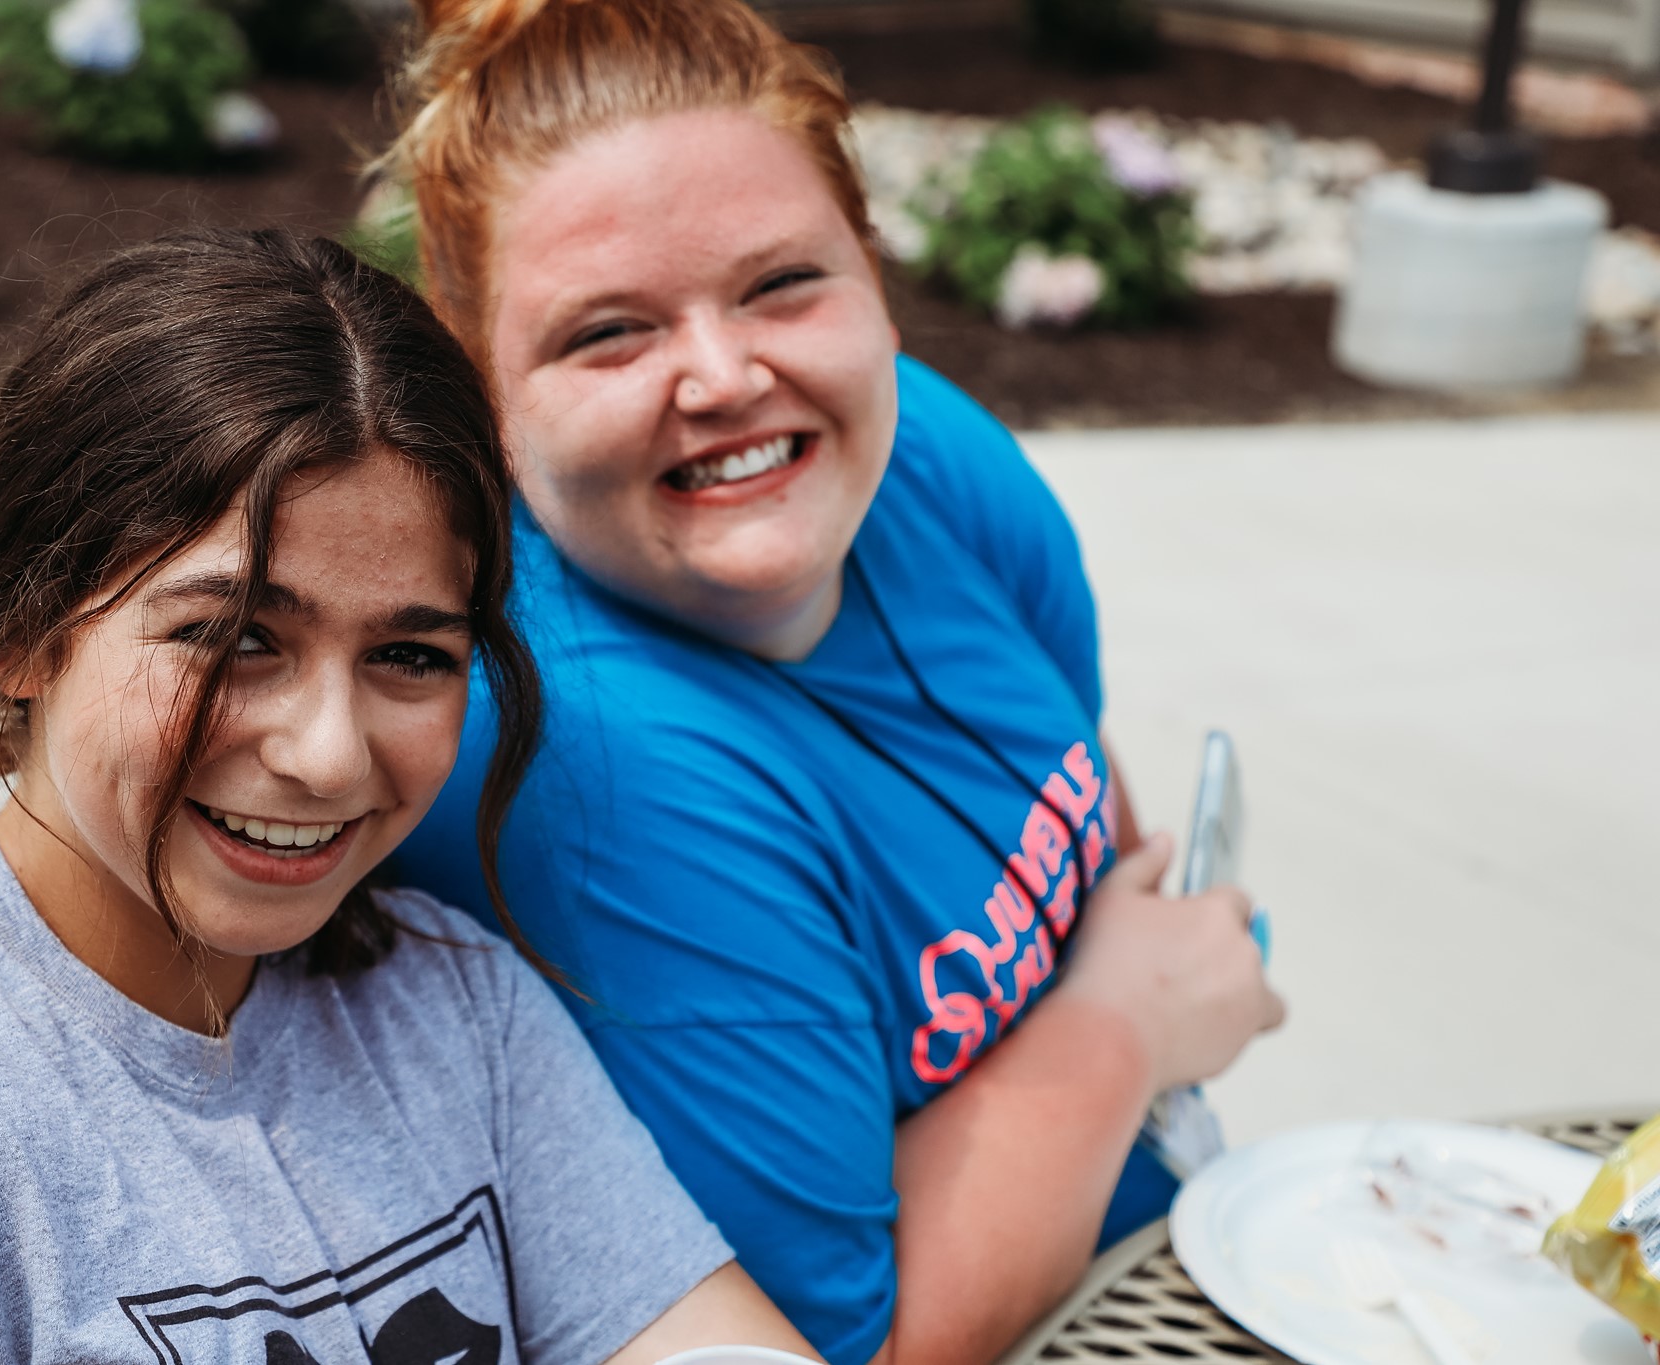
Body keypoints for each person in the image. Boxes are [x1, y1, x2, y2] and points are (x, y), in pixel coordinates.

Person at [0, 229, 817, 1365]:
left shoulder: (457, 1011)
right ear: (26, 630)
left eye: (409, 655)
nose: (328, 755)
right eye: (234, 635)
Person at [381, 5, 1288, 1364]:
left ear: (872, 267)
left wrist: (1125, 998)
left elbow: (1102, 847)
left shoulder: (924, 452)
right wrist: (1122, 1026)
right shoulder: (597, 769)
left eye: (782, 284)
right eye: (609, 333)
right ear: (481, 386)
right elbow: (852, 1340)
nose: (728, 376)